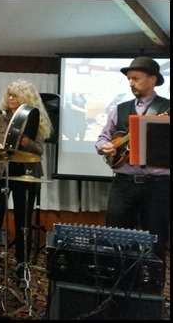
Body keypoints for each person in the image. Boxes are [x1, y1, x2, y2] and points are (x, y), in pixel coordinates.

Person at [95, 56, 170, 278]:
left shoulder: (167, 107)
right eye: (129, 79)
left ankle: (151, 291)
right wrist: (104, 146)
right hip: (124, 184)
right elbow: (102, 138)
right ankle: (114, 288)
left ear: (153, 79)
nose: (131, 83)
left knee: (156, 240)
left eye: (136, 78)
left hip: (158, 185)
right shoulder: (120, 109)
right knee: (115, 238)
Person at [0, 79, 52, 280]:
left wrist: (25, 142)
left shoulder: (35, 119)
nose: (10, 98)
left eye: (14, 95)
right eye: (9, 94)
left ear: (25, 98)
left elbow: (39, 151)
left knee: (23, 223)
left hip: (26, 174)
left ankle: (22, 266)